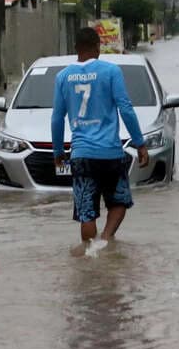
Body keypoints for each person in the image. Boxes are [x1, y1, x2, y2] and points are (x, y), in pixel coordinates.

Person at [51, 27, 149, 243]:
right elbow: (126, 108)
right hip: (111, 153)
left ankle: (90, 256)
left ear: (76, 48)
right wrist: (140, 143)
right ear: (98, 46)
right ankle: (105, 241)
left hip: (81, 155)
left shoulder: (62, 77)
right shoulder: (111, 71)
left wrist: (58, 152)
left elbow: (57, 118)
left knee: (86, 213)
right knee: (119, 203)